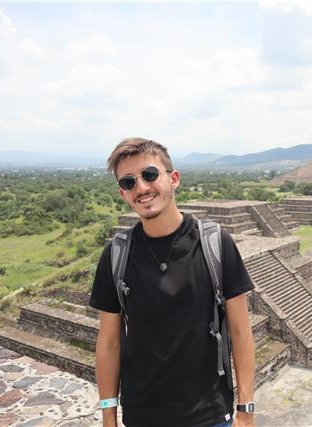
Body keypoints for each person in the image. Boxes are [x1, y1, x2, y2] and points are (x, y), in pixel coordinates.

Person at [90, 138, 256, 427]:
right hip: (143, 415)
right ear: (123, 193)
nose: (141, 188)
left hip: (210, 414)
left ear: (173, 178)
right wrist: (108, 415)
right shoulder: (116, 255)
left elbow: (241, 332)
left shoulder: (216, 244)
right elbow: (109, 343)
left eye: (150, 175)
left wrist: (246, 409)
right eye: (129, 182)